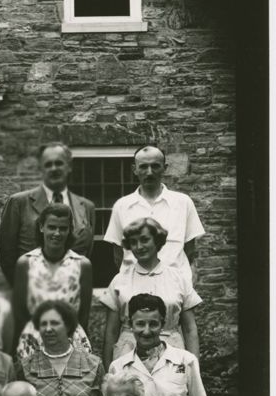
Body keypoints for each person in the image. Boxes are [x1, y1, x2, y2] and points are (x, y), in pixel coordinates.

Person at [99, 216, 202, 370]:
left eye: (144, 240)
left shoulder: (178, 278)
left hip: (172, 352)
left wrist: (194, 368)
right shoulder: (120, 280)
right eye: (133, 242)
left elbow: (189, 328)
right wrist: (108, 371)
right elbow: (111, 331)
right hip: (128, 353)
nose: (139, 246)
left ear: (157, 241)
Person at [103, 145, 204, 285]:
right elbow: (118, 255)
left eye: (155, 166)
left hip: (174, 286)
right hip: (134, 287)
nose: (149, 172)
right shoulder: (122, 206)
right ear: (135, 170)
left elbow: (190, 250)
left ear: (165, 168)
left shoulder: (183, 203)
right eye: (143, 167)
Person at [0, 142, 96, 282]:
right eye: (48, 164)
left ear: (69, 166)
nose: (54, 169)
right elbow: (6, 254)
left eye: (59, 163)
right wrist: (21, 289)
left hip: (72, 291)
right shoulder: (19, 203)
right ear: (41, 169)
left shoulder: (86, 207)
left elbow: (88, 252)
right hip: (31, 291)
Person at [12, 202, 94, 361]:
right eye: (52, 227)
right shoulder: (26, 262)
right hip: (34, 340)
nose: (57, 233)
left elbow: (83, 315)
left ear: (69, 230)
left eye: (63, 228)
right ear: (42, 227)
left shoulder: (82, 264)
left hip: (71, 340)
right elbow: (20, 313)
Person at [16, 300, 104, 396]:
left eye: (55, 323)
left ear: (69, 326)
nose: (48, 329)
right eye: (43, 324)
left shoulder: (94, 365)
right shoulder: (25, 367)